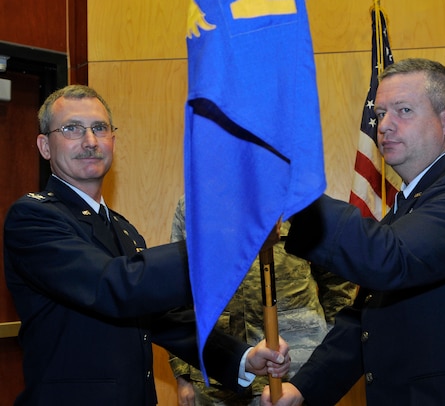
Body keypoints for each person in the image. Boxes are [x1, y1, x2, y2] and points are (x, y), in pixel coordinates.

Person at [261, 58, 445, 405]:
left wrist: (291, 191)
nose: (384, 125)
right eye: (381, 113)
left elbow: (390, 259)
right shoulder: (409, 203)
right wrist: (303, 389)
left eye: (403, 110)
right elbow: (365, 319)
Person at [2, 85, 290, 406]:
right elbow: (115, 286)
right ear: (44, 146)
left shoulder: (123, 229)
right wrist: (218, 244)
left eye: (100, 128)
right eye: (72, 129)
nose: (90, 141)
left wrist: (242, 358)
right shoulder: (33, 218)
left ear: (113, 140)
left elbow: (163, 320)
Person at [167, 196, 357, 406]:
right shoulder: (196, 201)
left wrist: (325, 352)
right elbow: (178, 288)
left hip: (296, 373)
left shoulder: (299, 197)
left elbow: (338, 282)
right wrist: (183, 375)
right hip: (218, 377)